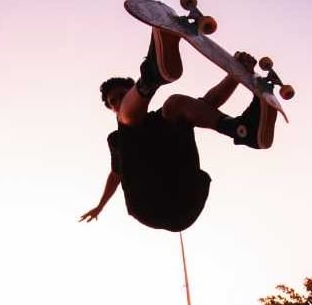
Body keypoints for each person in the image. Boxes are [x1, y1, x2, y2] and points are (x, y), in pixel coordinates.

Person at [80, 28, 280, 232]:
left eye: (122, 95)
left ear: (130, 90)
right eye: (113, 102)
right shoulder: (117, 139)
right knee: (128, 127)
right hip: (150, 205)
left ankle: (243, 131)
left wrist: (236, 73)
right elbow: (116, 174)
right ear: (111, 108)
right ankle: (151, 76)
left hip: (186, 197)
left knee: (177, 105)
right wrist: (100, 206)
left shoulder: (165, 118)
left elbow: (209, 103)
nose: (118, 102)